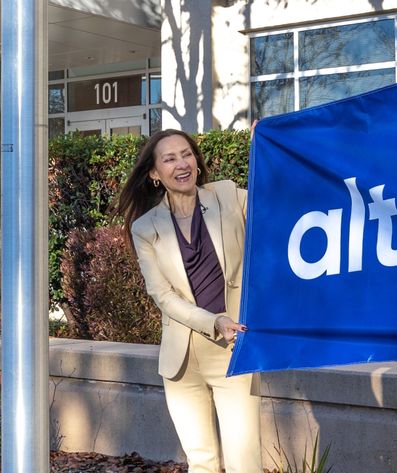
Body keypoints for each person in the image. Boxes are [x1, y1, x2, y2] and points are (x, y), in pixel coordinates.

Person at [115, 129, 262, 472]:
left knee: (245, 463)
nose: (182, 164)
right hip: (182, 359)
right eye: (170, 159)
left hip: (233, 348)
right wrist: (213, 321)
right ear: (154, 173)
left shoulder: (227, 195)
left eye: (186, 154)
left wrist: (265, 148)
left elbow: (272, 200)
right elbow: (162, 295)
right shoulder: (145, 228)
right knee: (201, 462)